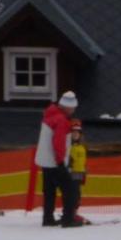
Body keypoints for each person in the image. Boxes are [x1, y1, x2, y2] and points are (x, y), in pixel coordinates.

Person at [34, 90, 80, 227]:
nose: (74, 110)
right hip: (55, 162)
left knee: (49, 190)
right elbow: (58, 142)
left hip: (45, 160)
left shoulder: (49, 114)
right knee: (70, 189)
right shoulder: (61, 120)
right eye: (73, 108)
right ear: (67, 107)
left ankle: (47, 218)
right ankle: (68, 219)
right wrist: (60, 161)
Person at [68, 120, 88, 225]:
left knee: (78, 195)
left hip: (79, 174)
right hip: (72, 174)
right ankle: (71, 214)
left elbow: (83, 162)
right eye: (73, 132)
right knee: (73, 195)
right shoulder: (69, 147)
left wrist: (84, 172)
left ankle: (74, 213)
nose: (75, 135)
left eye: (77, 133)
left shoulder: (81, 147)